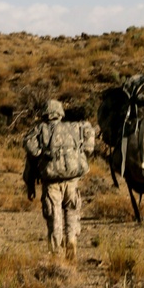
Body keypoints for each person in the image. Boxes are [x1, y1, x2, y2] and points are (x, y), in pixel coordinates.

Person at [23, 100, 96, 256]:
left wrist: (30, 185)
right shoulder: (74, 127)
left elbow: (31, 157)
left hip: (51, 183)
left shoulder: (39, 130)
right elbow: (90, 136)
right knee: (72, 211)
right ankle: (71, 240)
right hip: (72, 181)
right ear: (61, 113)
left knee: (54, 217)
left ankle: (57, 253)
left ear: (45, 114)